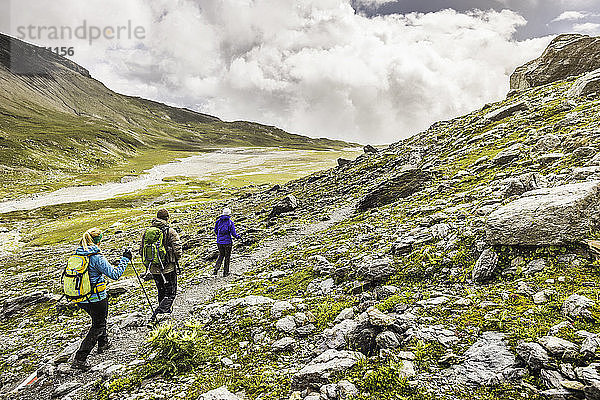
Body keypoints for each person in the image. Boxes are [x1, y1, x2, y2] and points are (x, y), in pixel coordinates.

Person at [71, 228, 131, 371]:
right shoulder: (96, 257)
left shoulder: (78, 254)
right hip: (96, 297)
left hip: (81, 298)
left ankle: (103, 343)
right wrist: (125, 259)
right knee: (98, 324)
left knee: (98, 320)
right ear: (98, 241)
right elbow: (115, 274)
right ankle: (80, 358)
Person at [141, 208, 183, 323]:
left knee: (161, 291)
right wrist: (175, 259)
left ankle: (164, 313)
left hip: (154, 269)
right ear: (167, 218)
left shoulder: (147, 232)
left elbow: (141, 250)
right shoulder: (170, 231)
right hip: (168, 268)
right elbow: (178, 249)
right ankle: (157, 315)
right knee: (171, 292)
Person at [214, 207, 241, 277]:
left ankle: (216, 268)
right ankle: (225, 273)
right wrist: (238, 237)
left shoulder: (218, 221)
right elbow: (233, 233)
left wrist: (219, 237)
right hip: (228, 242)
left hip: (219, 242)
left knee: (221, 255)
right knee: (227, 257)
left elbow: (215, 231)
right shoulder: (230, 222)